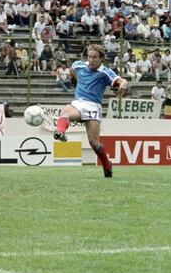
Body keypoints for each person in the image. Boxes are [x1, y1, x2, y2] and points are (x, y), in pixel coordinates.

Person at [53, 44, 128, 178]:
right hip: (78, 103)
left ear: (101, 59)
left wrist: (124, 83)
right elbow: (72, 70)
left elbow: (120, 80)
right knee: (65, 111)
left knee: (94, 143)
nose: (91, 60)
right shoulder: (79, 66)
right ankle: (60, 132)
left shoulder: (105, 72)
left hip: (93, 106)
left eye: (94, 57)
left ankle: (107, 164)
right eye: (89, 57)